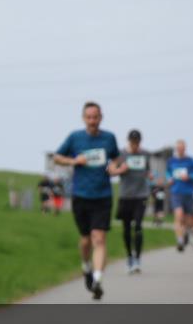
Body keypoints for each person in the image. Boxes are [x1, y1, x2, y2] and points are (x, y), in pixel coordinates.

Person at [53, 101, 121, 300]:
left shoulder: (109, 138)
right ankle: (86, 266)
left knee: (99, 238)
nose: (92, 121)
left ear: (101, 118)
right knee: (85, 240)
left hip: (103, 195)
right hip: (81, 195)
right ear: (84, 118)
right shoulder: (75, 138)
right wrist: (75, 161)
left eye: (95, 117)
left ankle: (98, 280)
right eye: (89, 117)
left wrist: (113, 166)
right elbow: (57, 157)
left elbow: (116, 158)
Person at [108, 129, 150, 274]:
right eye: (132, 142)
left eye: (137, 142)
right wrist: (121, 170)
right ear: (128, 141)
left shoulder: (145, 154)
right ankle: (129, 257)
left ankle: (137, 258)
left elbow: (147, 171)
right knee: (126, 228)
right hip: (126, 195)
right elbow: (111, 171)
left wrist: (150, 176)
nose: (135, 145)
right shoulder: (121, 154)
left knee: (138, 226)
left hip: (141, 195)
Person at [166, 139, 193, 251]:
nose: (180, 150)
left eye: (182, 148)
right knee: (178, 215)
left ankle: (187, 233)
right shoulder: (171, 161)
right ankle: (180, 240)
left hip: (189, 193)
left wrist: (190, 176)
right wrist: (169, 178)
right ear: (176, 149)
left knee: (189, 221)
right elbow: (168, 172)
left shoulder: (191, 161)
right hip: (176, 192)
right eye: (178, 148)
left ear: (185, 149)